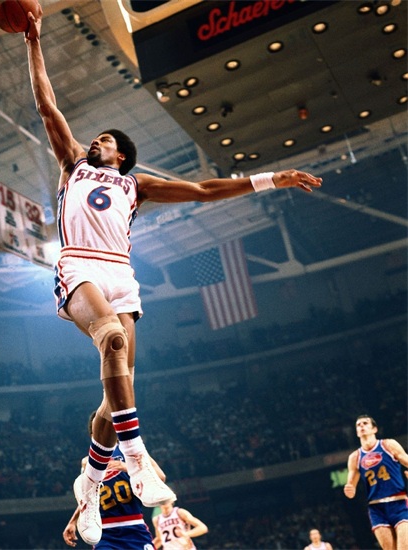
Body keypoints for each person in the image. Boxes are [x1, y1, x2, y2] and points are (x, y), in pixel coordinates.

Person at [24, 8, 322, 546]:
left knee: (114, 402)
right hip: (80, 263)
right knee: (112, 339)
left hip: (122, 274)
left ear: (122, 155)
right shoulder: (72, 165)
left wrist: (270, 179)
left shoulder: (136, 186)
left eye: (105, 140)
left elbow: (205, 190)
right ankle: (137, 458)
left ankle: (88, 486)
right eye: (96, 138)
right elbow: (47, 104)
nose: (96, 141)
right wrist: (33, 39)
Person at [63, 411, 162, 549]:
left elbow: (160, 477)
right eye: (100, 428)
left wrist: (125, 467)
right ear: (92, 435)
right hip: (105, 532)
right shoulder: (87, 462)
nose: (104, 431)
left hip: (134, 524)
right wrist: (73, 521)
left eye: (107, 426)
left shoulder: (130, 450)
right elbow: (87, 497)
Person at [344, 415, 408, 550]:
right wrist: (349, 490)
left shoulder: (388, 444)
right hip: (376, 508)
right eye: (358, 425)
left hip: (399, 502)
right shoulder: (355, 457)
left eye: (365, 423)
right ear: (357, 433)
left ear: (374, 429)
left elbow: (406, 460)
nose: (361, 426)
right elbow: (351, 490)